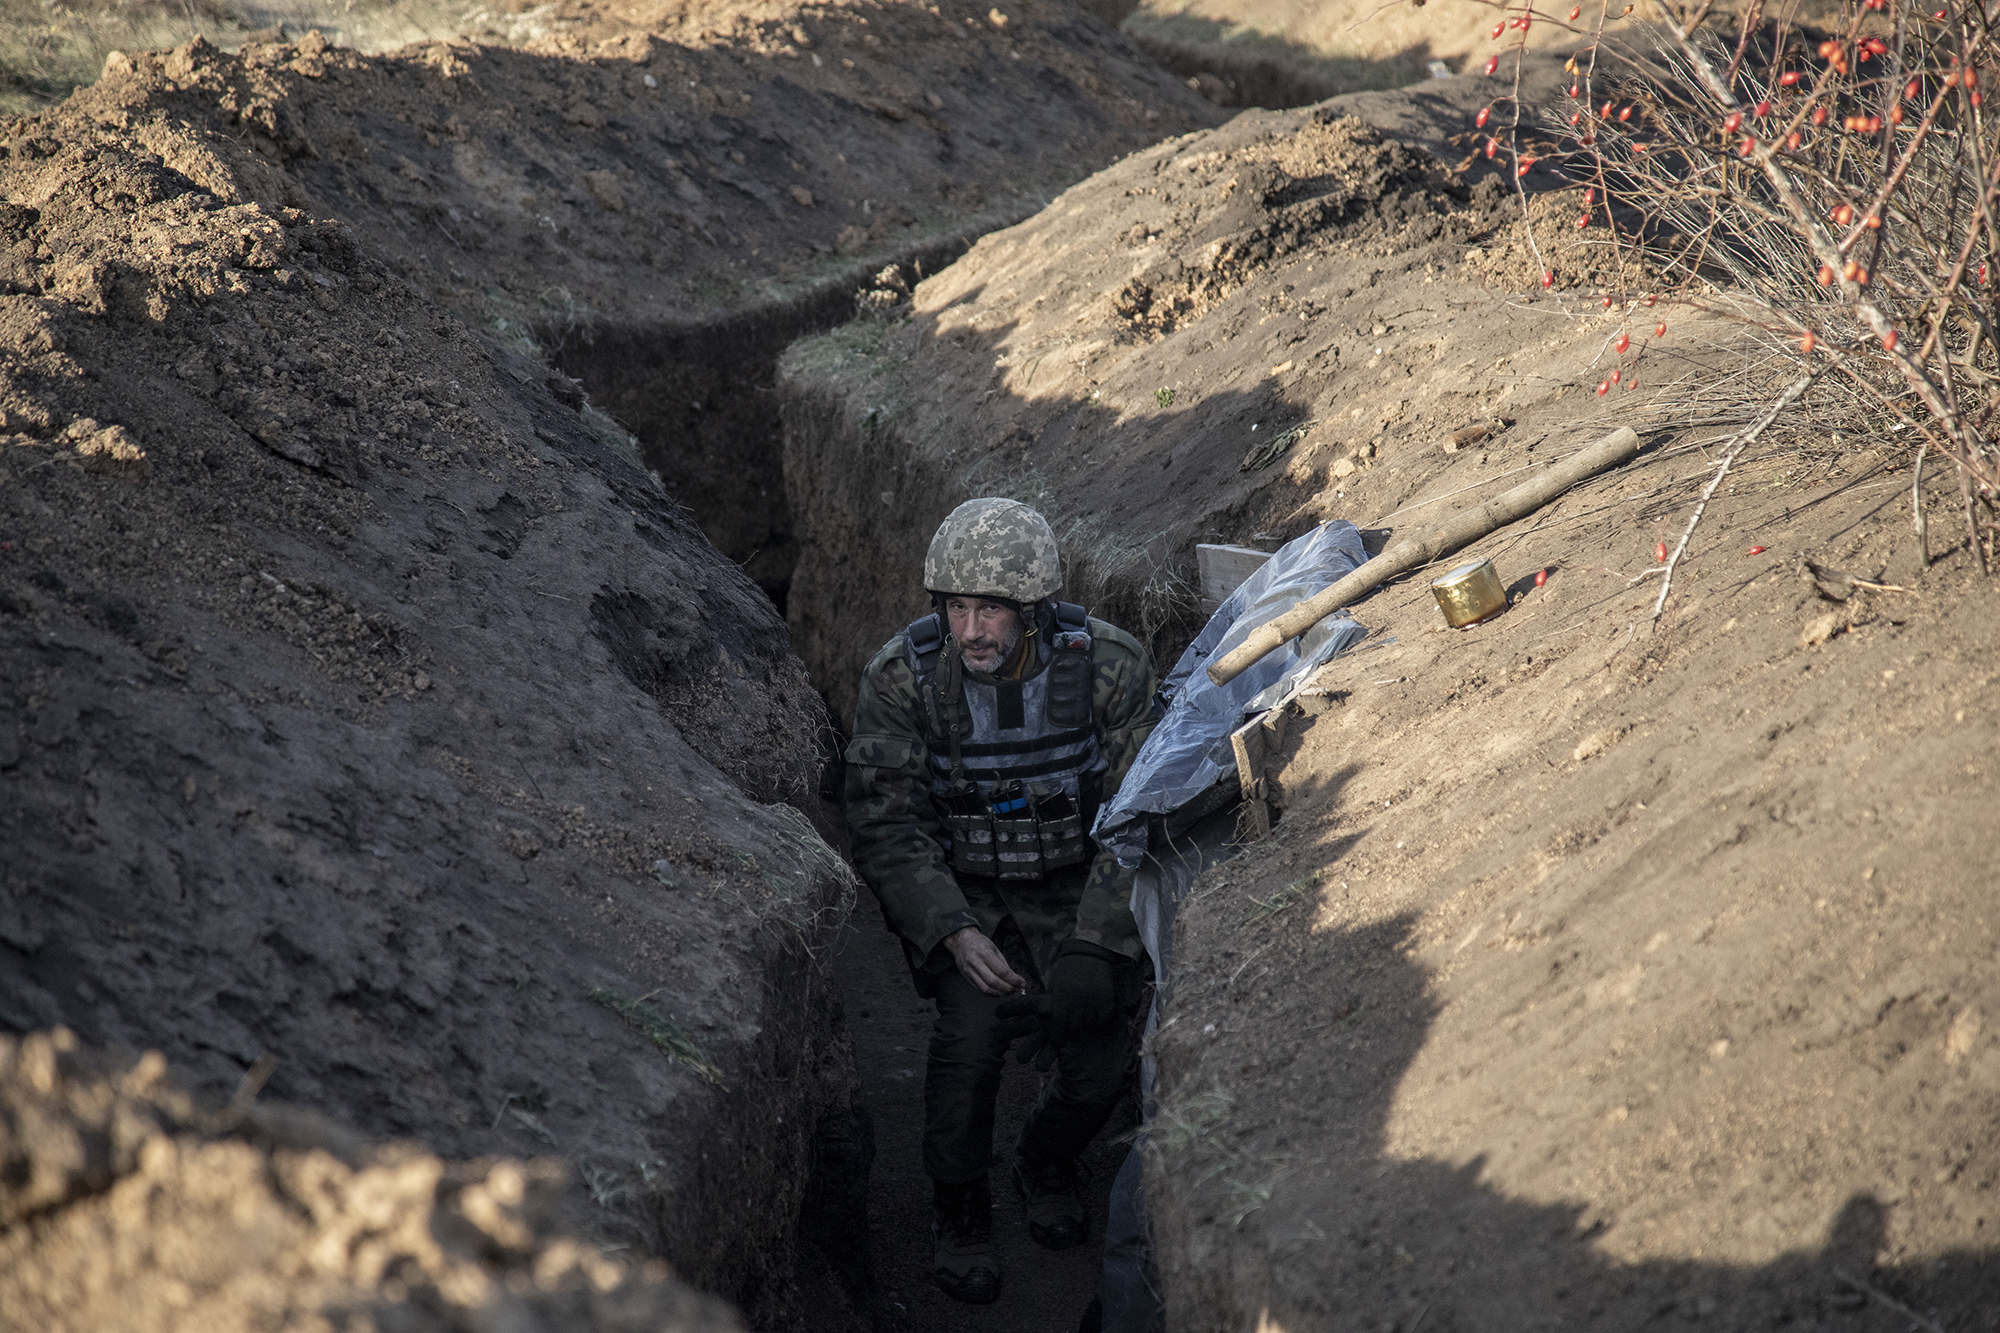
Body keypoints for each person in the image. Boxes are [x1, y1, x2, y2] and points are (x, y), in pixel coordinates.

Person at [844, 497, 1159, 1304]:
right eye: (956, 608)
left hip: (1075, 883)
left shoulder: (1109, 665)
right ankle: (958, 1204)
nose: (971, 630)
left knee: (1100, 1057)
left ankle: (1045, 1156)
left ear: (1032, 609)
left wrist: (1098, 941)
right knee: (968, 1047)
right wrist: (952, 931)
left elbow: (1141, 811)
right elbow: (886, 823)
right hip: (967, 888)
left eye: (990, 610)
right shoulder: (903, 676)